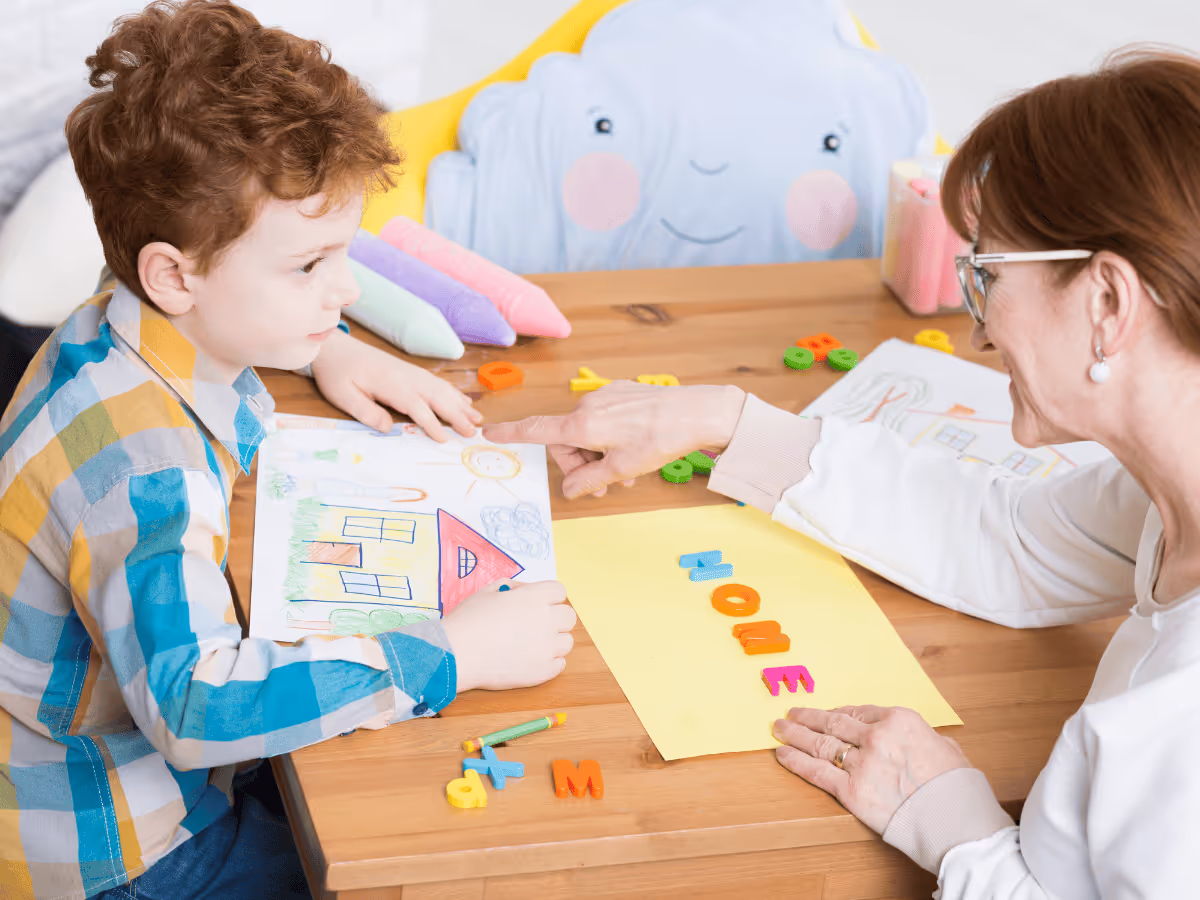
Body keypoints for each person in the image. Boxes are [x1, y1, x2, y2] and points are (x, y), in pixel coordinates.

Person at [485, 47, 1200, 897]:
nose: (977, 330)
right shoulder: (1166, 488)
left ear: (1109, 304)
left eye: (988, 276)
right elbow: (1012, 541)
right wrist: (723, 423)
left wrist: (956, 828)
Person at [0, 3, 576, 899]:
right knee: (406, 860)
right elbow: (196, 709)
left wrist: (324, 341)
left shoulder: (121, 314)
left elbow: (197, 288)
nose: (342, 290)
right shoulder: (147, 473)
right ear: (175, 274)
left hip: (98, 772)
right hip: (116, 847)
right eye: (310, 266)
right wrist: (448, 656)